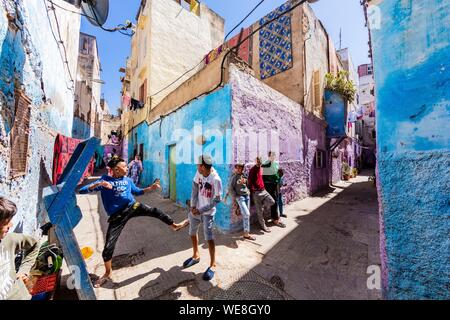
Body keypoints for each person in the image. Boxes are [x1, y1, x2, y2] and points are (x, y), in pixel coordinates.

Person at [79, 156, 188, 288]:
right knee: (108, 248)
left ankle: (175, 226)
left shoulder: (128, 180)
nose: (127, 168)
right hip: (117, 216)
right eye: (124, 167)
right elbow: (82, 190)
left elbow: (138, 192)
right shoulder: (104, 180)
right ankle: (108, 273)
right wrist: (98, 185)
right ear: (116, 169)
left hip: (133, 206)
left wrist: (151, 188)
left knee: (155, 211)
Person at [183, 155, 222, 281]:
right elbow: (194, 189)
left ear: (203, 167)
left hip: (208, 212)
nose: (196, 166)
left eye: (198, 164)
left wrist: (201, 210)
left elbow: (216, 200)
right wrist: (193, 206)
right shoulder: (199, 173)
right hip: (196, 209)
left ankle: (213, 264)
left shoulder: (216, 179)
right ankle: (196, 255)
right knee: (192, 232)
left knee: (209, 237)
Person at [0, 197, 40, 300]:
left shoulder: (9, 240)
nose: (11, 225)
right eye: (6, 222)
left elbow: (34, 244)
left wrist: (24, 270)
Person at [226, 163, 255, 241]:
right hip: (240, 197)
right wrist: (236, 197)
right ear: (236, 168)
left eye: (241, 168)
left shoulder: (245, 175)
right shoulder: (234, 177)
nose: (239, 169)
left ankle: (246, 234)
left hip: (247, 196)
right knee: (247, 214)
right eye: (237, 168)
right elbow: (231, 189)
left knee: (246, 216)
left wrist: (248, 191)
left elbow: (247, 185)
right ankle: (246, 232)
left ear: (243, 168)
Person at [248, 157, 275, 233]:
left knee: (272, 201)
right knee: (259, 211)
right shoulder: (252, 170)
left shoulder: (261, 168)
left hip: (263, 190)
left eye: (260, 162)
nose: (259, 163)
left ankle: (262, 205)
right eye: (258, 162)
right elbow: (250, 182)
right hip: (256, 193)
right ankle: (263, 226)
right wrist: (254, 191)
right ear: (256, 161)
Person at [261, 151, 286, 228]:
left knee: (276, 201)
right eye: (271, 156)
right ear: (268, 156)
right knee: (273, 202)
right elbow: (265, 176)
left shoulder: (275, 164)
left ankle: (275, 217)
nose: (272, 157)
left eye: (273, 156)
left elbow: (278, 174)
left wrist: (280, 176)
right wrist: (276, 176)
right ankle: (275, 219)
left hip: (276, 185)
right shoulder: (265, 164)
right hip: (269, 186)